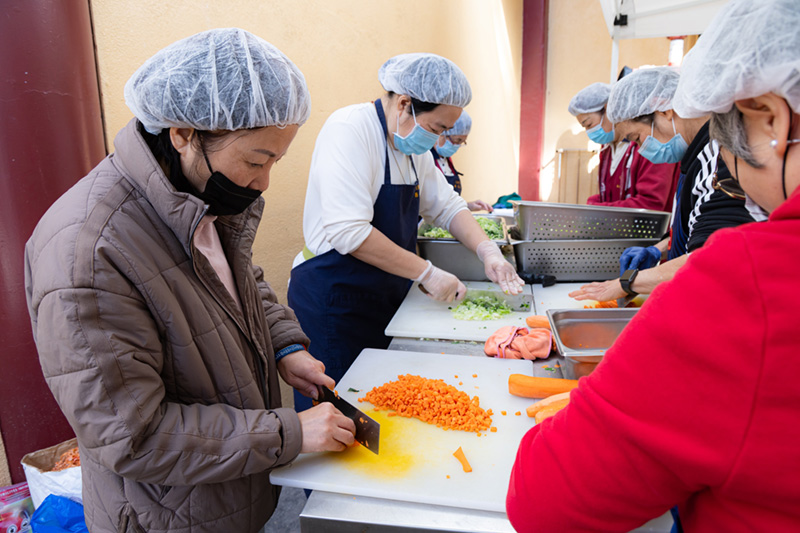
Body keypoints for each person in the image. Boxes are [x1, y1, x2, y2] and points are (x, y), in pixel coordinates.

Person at [24, 29, 355, 533]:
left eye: (275, 161)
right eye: (255, 160)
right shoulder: (89, 254)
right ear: (182, 134)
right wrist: (286, 433)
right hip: (164, 516)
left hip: (227, 495)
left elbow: (239, 282)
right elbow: (133, 436)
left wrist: (286, 347)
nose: (264, 181)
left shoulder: (196, 198)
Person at [507, 1, 800, 531]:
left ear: (771, 117)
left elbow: (543, 500)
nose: (727, 166)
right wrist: (663, 250)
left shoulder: (751, 281)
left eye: (726, 137)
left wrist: (631, 284)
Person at [288, 53, 523, 411]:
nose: (439, 138)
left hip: (382, 296)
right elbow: (349, 231)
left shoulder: (411, 145)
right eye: (437, 128)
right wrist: (427, 273)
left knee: (381, 407)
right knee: (336, 412)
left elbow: (446, 206)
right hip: (334, 300)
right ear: (404, 104)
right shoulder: (349, 129)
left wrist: (487, 251)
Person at [569, 67, 755, 304]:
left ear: (665, 111)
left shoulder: (720, 161)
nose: (640, 150)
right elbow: (698, 223)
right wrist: (659, 249)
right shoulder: (693, 157)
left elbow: (708, 257)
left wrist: (628, 282)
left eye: (637, 138)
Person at [568, 81, 680, 211]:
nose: (589, 132)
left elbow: (651, 204)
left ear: (608, 109)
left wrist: (596, 208)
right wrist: (592, 204)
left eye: (589, 124)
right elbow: (610, 195)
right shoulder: (607, 148)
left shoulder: (650, 143)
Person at [430, 110, 492, 211]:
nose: (457, 146)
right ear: (442, 134)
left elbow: (449, 203)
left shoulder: (447, 162)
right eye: (457, 140)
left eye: (462, 142)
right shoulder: (426, 158)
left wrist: (468, 206)